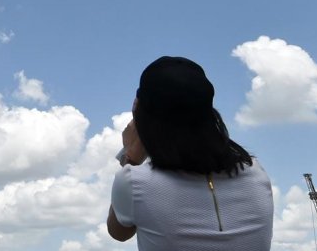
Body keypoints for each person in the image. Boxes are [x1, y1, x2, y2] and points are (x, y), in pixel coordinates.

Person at [107, 56, 273, 251]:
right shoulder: (255, 172)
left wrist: (131, 159)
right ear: (210, 115)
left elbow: (119, 232)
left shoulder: (134, 182)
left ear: (140, 111)